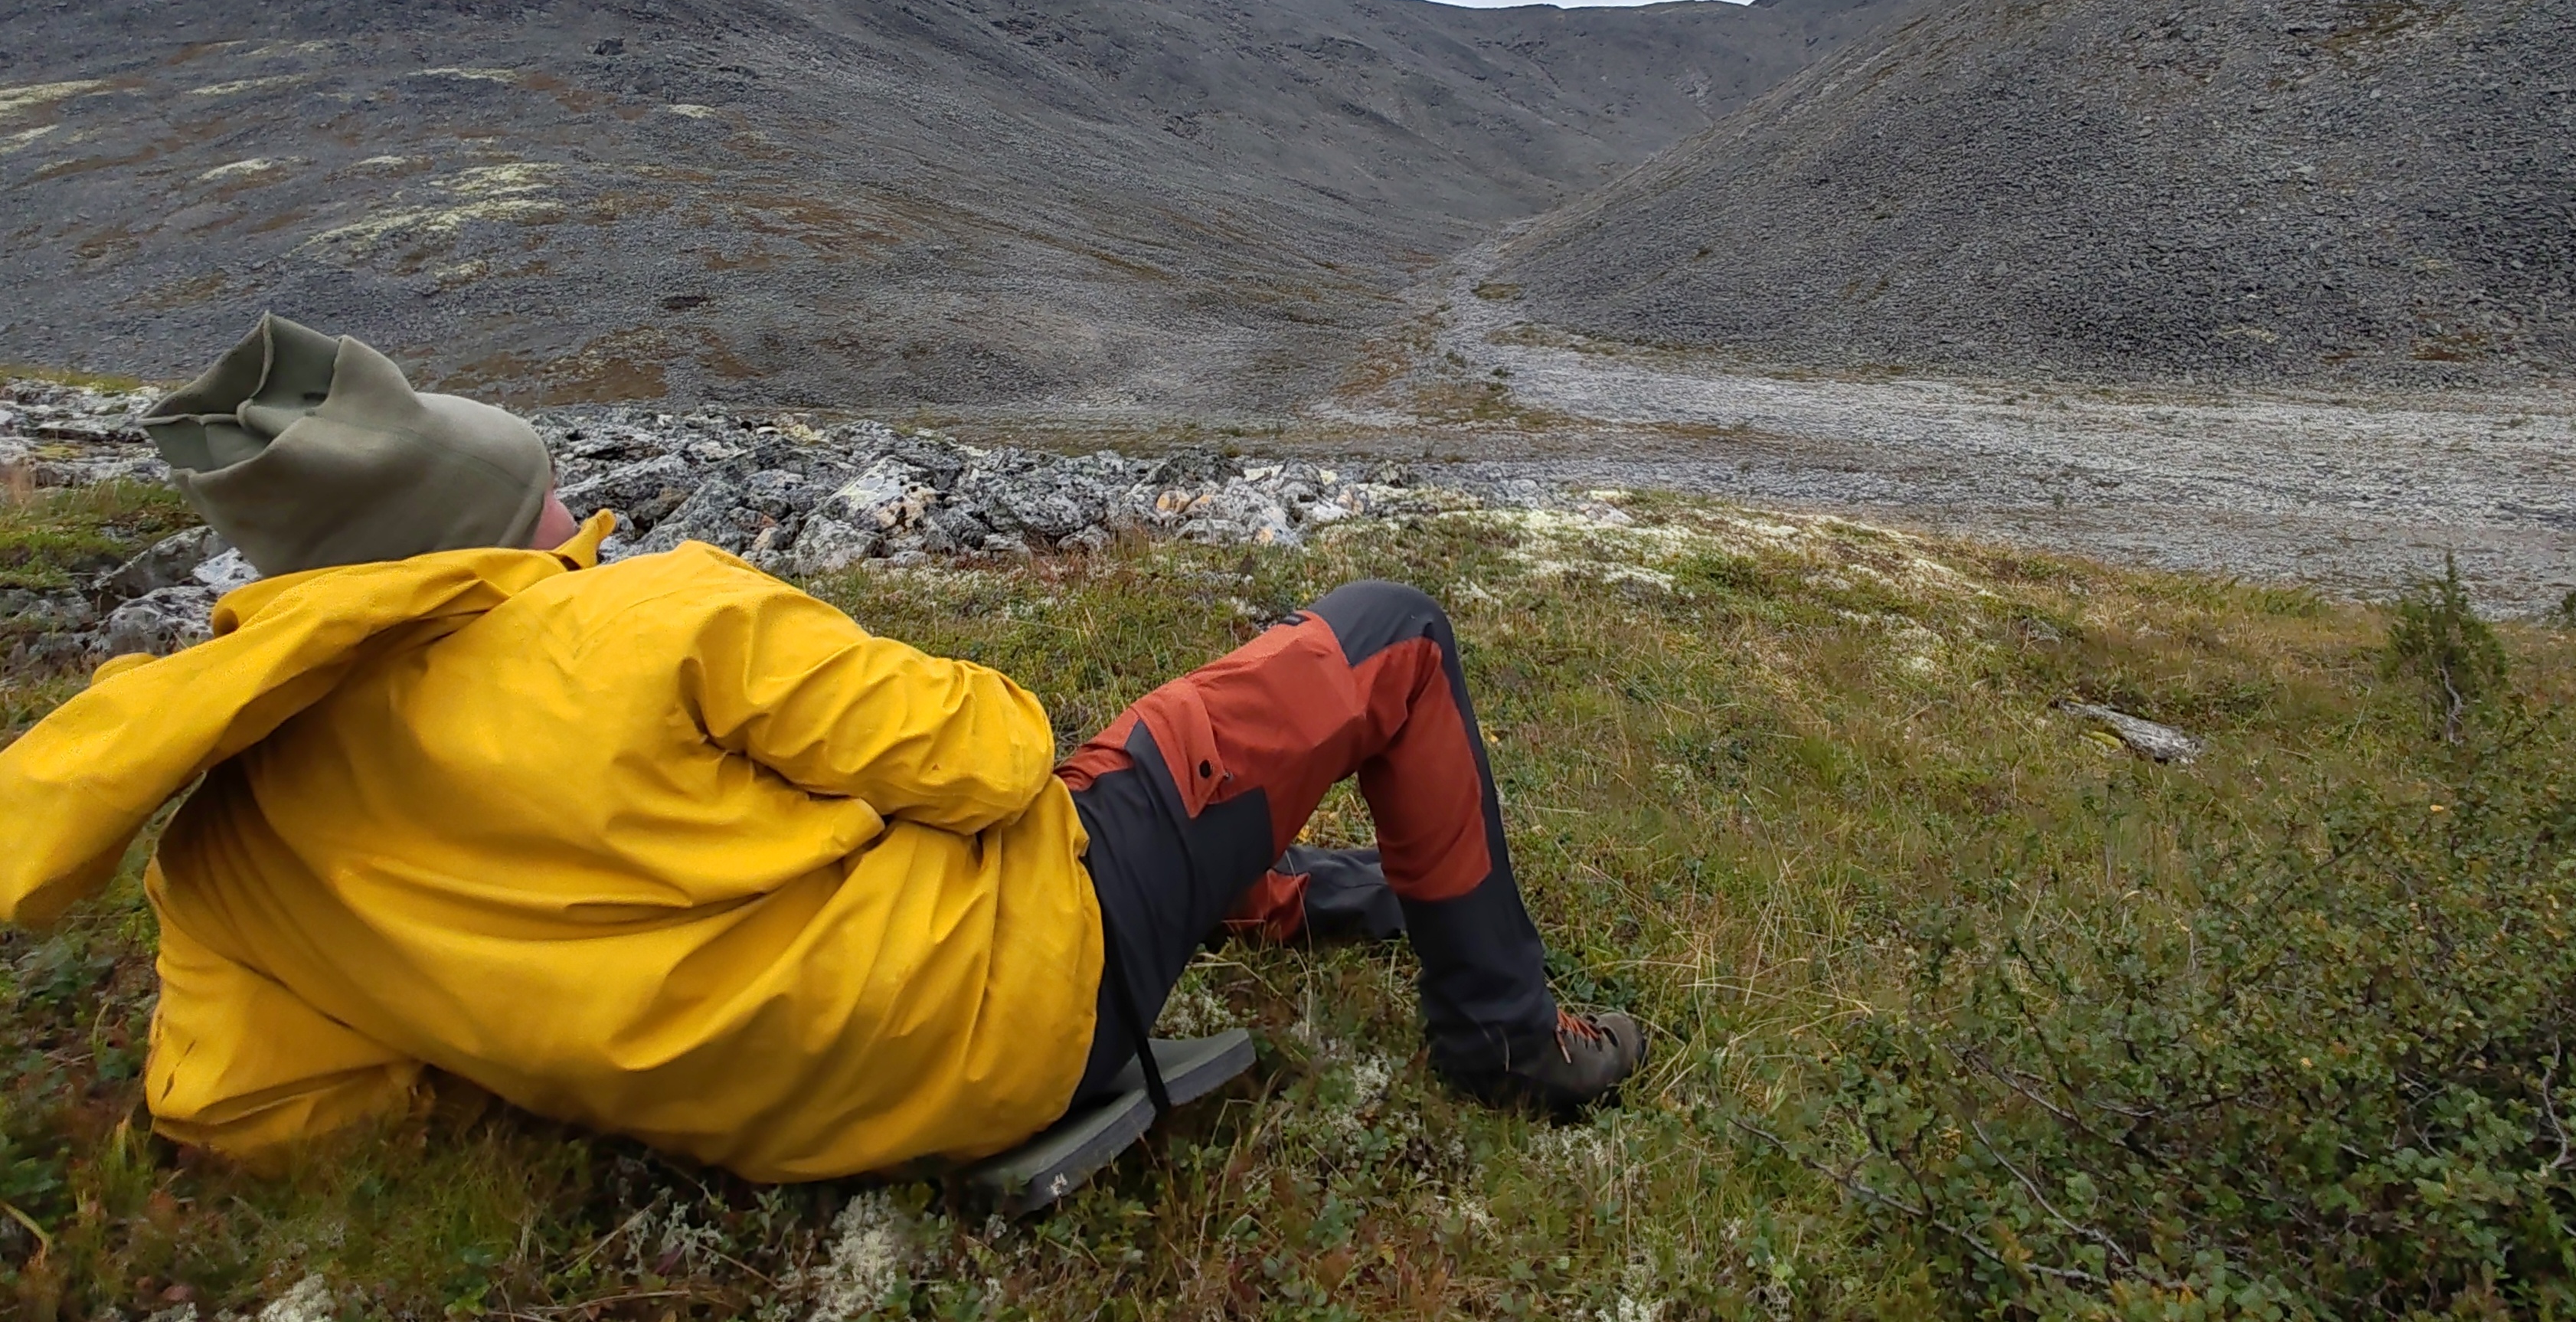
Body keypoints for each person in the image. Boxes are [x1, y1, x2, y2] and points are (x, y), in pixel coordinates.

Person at [0, 316, 1642, 1183]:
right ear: (494, 529)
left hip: (751, 1116)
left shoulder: (222, 830)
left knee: (1126, 807)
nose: (572, 508)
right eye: (544, 492)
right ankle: (1505, 1044)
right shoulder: (662, 616)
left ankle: (1291, 898)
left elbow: (243, 1115)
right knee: (1384, 632)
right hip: (1014, 1014)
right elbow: (992, 762)